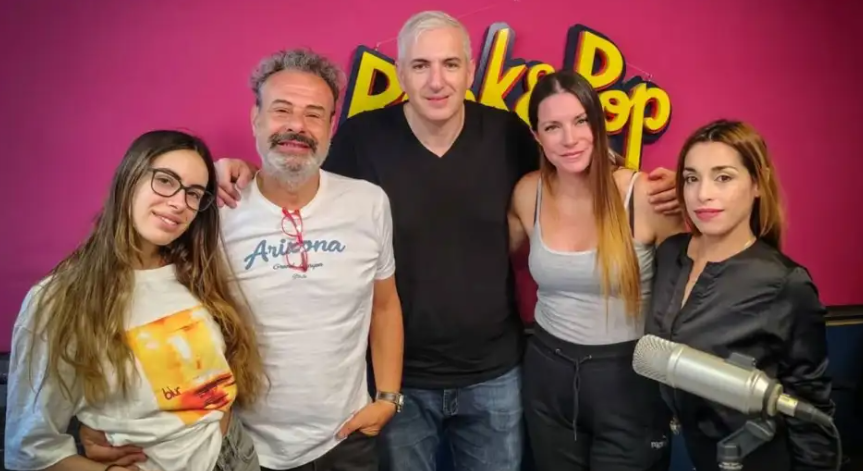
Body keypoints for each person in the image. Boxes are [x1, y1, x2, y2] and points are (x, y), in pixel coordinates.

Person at [214, 11, 680, 471]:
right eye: (420, 65)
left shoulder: (506, 134)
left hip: (497, 374)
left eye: (450, 64)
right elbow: (301, 176)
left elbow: (566, 170)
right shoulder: (361, 137)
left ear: (470, 70)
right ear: (401, 73)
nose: (436, 81)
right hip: (401, 380)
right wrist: (245, 172)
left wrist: (646, 179)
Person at [78, 49, 405, 471]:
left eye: (313, 114)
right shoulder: (210, 208)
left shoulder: (368, 203)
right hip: (236, 444)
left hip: (345, 440)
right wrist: (101, 413)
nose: (296, 125)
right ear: (256, 119)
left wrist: (388, 398)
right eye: (281, 110)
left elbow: (384, 306)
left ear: (330, 126)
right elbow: (142, 300)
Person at [4, 130, 266, 471]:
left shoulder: (197, 272)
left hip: (234, 454)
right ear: (129, 178)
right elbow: (30, 449)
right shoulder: (56, 300)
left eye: (193, 193)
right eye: (165, 181)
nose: (179, 203)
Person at [507, 70, 684, 471]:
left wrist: (689, 188)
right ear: (537, 136)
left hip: (630, 380)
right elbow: (478, 257)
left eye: (580, 121)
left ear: (598, 124)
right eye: (553, 127)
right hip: (548, 375)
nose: (569, 139)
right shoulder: (527, 193)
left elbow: (693, 285)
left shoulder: (647, 195)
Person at [644, 119, 838, 470]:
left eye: (723, 177)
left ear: (758, 183)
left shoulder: (785, 283)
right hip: (697, 455)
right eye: (691, 178)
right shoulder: (670, 253)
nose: (703, 194)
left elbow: (811, 407)